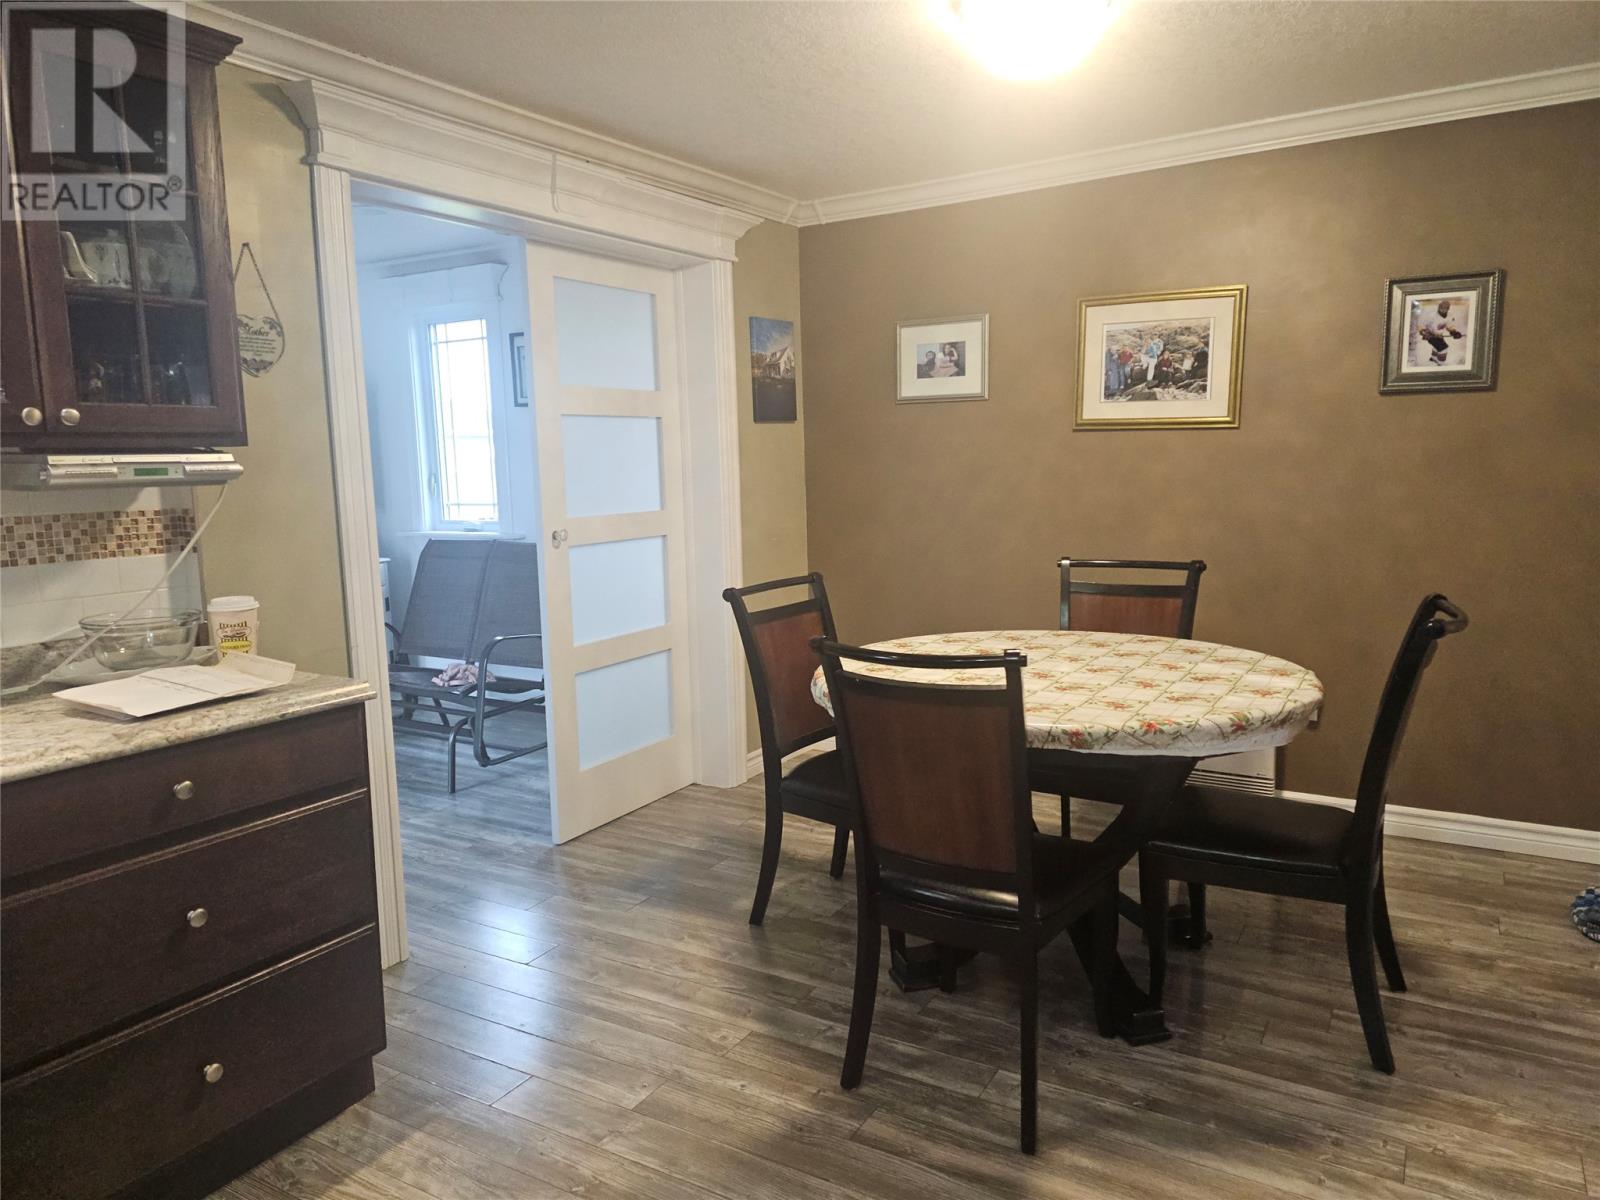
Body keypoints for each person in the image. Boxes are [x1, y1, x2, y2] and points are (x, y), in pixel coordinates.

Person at [1412, 298, 1466, 365]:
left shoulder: (1449, 316)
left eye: (1445, 309)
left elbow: (1449, 326)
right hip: (1430, 335)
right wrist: (1424, 332)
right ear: (1438, 307)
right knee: (1443, 348)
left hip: (1439, 335)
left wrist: (1454, 332)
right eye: (1441, 308)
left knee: (1437, 346)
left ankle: (1433, 358)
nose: (1443, 310)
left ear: (1448, 309)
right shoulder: (1432, 315)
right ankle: (1441, 363)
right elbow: (1421, 324)